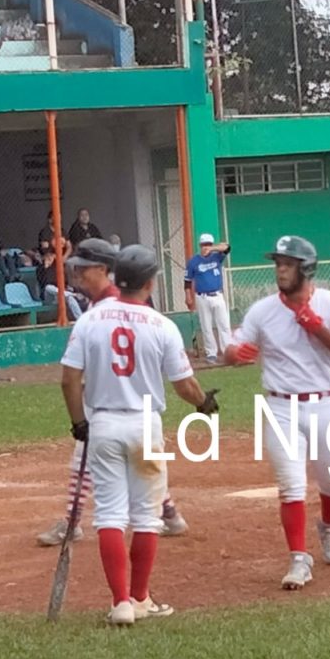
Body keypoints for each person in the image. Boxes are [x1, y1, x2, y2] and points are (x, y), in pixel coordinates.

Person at [60, 242, 218, 625]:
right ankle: (141, 598)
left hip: (103, 424)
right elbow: (184, 385)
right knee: (146, 517)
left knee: (110, 515)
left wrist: (79, 422)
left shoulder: (90, 319)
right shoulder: (161, 325)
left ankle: (120, 603)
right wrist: (203, 404)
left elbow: (69, 379)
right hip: (145, 424)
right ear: (149, 282)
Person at [224, 235, 330, 591]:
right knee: (291, 485)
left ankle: (328, 526)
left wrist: (315, 326)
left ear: (307, 268)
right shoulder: (262, 309)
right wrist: (233, 355)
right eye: (278, 264)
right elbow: (233, 347)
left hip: (325, 403)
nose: (281, 270)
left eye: (288, 264)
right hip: (280, 406)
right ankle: (299, 558)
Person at [37, 239, 191, 547]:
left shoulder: (113, 305)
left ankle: (71, 522)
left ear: (106, 270)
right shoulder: (102, 304)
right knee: (140, 462)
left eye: (84, 268)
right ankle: (170, 514)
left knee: (88, 457)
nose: (77, 273)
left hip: (115, 401)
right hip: (114, 399)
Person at [184, 233, 232, 364]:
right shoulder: (194, 261)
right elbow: (187, 282)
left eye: (209, 244)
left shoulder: (217, 257)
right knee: (206, 326)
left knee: (224, 325)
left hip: (217, 295)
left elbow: (227, 247)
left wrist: (213, 249)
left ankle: (228, 351)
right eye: (204, 244)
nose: (206, 247)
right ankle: (211, 353)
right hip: (202, 297)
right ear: (200, 245)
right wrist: (188, 297)